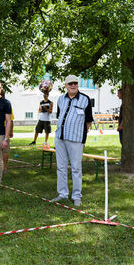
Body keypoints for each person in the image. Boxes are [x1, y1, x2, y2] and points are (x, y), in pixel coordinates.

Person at [51, 75, 93, 207]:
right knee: (61, 168)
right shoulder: (60, 99)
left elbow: (88, 121)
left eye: (75, 83)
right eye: (70, 84)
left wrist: (82, 137)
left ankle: (76, 196)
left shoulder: (85, 100)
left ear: (78, 84)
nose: (73, 85)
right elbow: (60, 117)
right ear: (66, 86)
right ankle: (62, 194)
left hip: (76, 140)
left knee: (76, 169)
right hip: (60, 138)